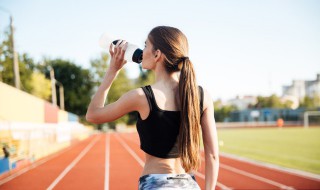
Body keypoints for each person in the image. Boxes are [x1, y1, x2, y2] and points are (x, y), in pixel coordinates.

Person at [86, 26, 219, 190]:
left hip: (156, 184)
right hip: (189, 184)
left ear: (157, 54)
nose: (142, 50)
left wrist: (112, 70)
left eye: (146, 45)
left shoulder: (141, 97)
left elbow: (93, 115)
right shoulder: (202, 95)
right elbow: (212, 155)